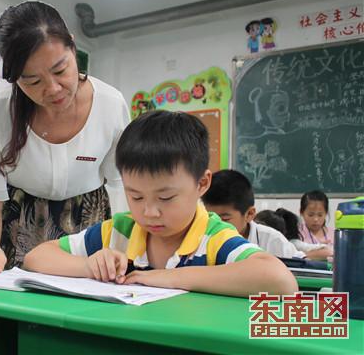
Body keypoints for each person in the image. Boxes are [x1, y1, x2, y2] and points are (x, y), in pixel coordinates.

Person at [23, 111, 297, 297]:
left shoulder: (212, 238)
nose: (149, 212)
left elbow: (280, 281)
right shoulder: (119, 232)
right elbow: (36, 257)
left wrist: (168, 278)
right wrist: (89, 266)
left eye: (165, 198)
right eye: (136, 196)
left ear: (201, 184)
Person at [0, 1, 129, 272]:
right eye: (32, 81)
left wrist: (120, 250)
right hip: (18, 222)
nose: (53, 89)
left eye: (60, 70)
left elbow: (120, 186)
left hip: (87, 226)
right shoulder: (0, 112)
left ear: (73, 46)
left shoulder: (110, 104)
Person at [202, 169, 305, 259]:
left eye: (224, 219)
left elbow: (301, 267)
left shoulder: (272, 240)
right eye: (209, 217)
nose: (215, 225)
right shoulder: (199, 238)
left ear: (249, 214)